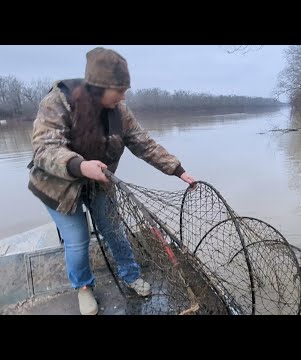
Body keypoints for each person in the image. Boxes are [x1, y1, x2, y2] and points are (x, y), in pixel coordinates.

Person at [27, 47, 195, 315]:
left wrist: (177, 169)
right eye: (119, 89)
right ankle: (83, 287)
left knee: (114, 229)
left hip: (99, 182)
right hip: (58, 186)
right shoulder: (57, 103)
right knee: (77, 238)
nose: (124, 95)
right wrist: (79, 165)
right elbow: (44, 149)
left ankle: (131, 275)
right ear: (98, 87)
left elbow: (144, 144)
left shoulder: (120, 111)